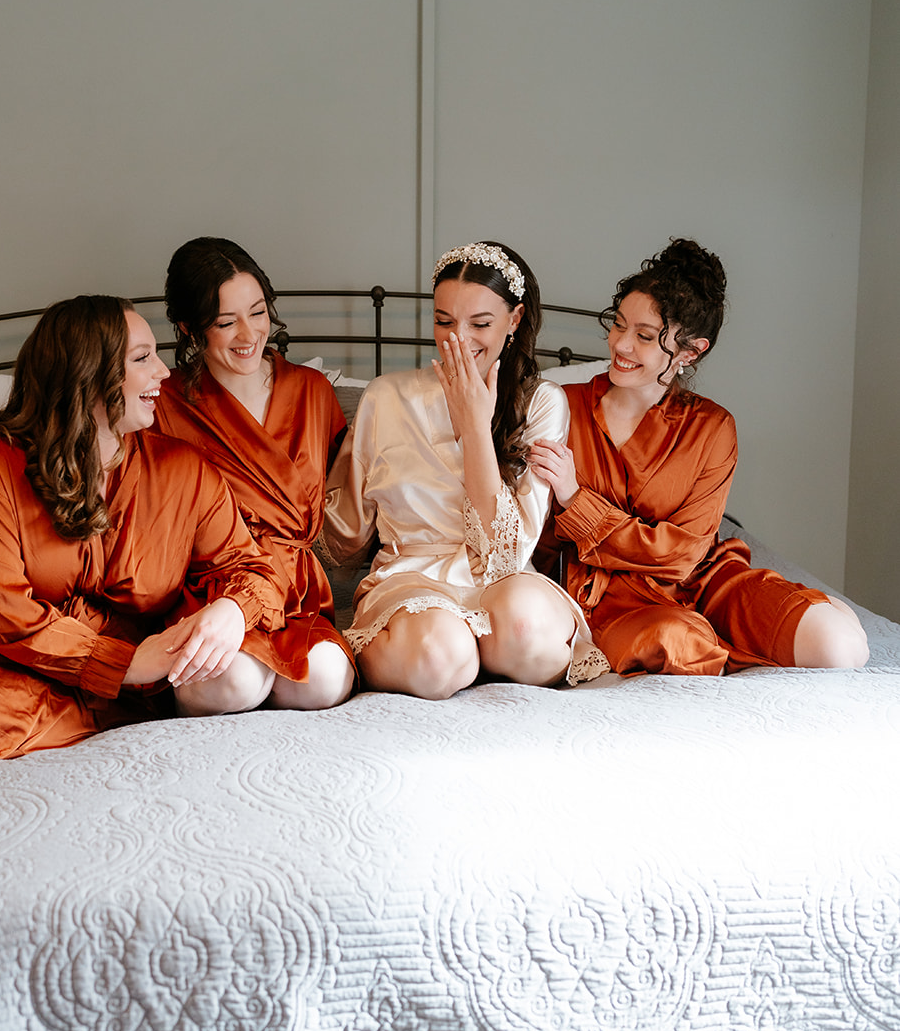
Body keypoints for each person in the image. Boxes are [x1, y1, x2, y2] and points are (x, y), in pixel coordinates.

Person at [0, 296, 285, 795]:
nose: (163, 371)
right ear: (85, 375)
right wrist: (126, 663)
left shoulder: (185, 471)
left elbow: (254, 569)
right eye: (141, 359)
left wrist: (232, 609)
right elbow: (2, 615)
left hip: (94, 675)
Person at [531, 239, 869, 676]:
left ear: (691, 352)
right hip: (610, 596)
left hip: (706, 581)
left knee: (837, 647)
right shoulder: (559, 407)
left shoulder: (712, 427)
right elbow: (534, 540)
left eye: (645, 337)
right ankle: (731, 642)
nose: (621, 345)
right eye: (618, 325)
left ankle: (806, 616)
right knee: (679, 641)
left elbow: (684, 555)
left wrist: (578, 501)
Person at [322, 241, 609, 698]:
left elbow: (506, 556)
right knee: (439, 655)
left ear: (514, 320)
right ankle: (449, 655)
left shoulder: (541, 402)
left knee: (526, 628)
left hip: (501, 583)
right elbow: (344, 537)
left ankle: (480, 653)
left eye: (480, 323)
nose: (458, 338)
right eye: (443, 321)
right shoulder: (386, 397)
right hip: (408, 581)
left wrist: (476, 429)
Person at [157, 237, 355, 714]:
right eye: (226, 322)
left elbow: (351, 508)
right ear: (189, 329)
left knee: (322, 682)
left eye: (258, 312)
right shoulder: (161, 403)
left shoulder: (311, 391)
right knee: (235, 683)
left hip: (296, 594)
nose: (249, 333)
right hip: (211, 589)